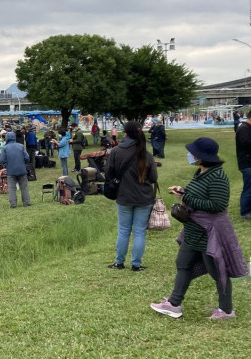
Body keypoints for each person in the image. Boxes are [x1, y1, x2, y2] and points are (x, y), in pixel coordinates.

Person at [150, 137, 248, 320]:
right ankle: (174, 304)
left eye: (193, 153)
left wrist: (186, 199)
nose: (190, 155)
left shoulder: (218, 176)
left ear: (202, 157)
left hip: (209, 233)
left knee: (218, 272)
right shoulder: (200, 172)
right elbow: (199, 195)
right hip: (193, 231)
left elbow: (217, 205)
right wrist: (183, 191)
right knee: (183, 264)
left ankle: (226, 311)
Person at [105, 121, 158, 271]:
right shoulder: (145, 153)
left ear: (125, 133)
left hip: (123, 196)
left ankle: (119, 262)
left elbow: (108, 173)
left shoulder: (116, 151)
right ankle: (136, 264)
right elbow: (153, 177)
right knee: (139, 231)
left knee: (123, 230)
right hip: (143, 197)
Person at [0, 132, 31, 208]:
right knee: (24, 187)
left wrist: (7, 164)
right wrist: (23, 163)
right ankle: (26, 202)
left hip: (11, 170)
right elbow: (27, 158)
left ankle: (13, 204)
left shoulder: (5, 148)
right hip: (22, 169)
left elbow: (2, 160)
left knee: (12, 188)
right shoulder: (21, 146)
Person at [236, 111, 251, 220]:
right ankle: (245, 212)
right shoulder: (244, 129)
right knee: (249, 188)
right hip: (247, 163)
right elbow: (246, 143)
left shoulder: (246, 128)